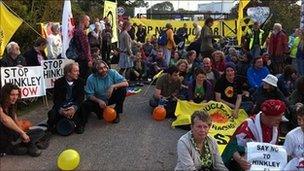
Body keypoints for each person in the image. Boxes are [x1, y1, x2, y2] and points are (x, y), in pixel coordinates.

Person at [222, 99, 287, 171]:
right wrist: (240, 160)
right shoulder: (248, 126)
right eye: (277, 119)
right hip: (244, 163)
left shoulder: (275, 125)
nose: (280, 120)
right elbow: (232, 147)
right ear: (265, 116)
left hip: (265, 163)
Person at [0, 84, 45, 157]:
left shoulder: (12, 104)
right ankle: (30, 145)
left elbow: (15, 121)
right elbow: (5, 119)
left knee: (40, 131)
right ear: (5, 94)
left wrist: (23, 134)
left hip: (11, 135)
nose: (15, 97)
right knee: (23, 149)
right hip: (3, 137)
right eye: (12, 95)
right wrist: (22, 133)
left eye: (17, 94)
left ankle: (27, 143)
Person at [82, 60, 128, 124]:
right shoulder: (91, 79)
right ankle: (97, 113)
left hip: (110, 97)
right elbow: (89, 95)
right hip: (99, 102)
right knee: (87, 104)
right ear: (95, 70)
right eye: (100, 69)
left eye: (105, 67)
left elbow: (125, 83)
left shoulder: (112, 72)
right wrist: (99, 101)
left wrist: (112, 86)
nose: (104, 70)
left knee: (122, 89)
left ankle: (116, 112)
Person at [47, 62, 86, 134]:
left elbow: (81, 97)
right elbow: (56, 99)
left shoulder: (80, 81)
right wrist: (60, 110)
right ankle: (52, 127)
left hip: (73, 105)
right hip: (63, 106)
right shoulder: (58, 82)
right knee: (52, 113)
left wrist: (74, 108)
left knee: (83, 109)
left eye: (78, 71)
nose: (78, 73)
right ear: (68, 73)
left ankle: (79, 125)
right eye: (76, 71)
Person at [73, 15, 93, 79]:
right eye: (88, 21)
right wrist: (89, 59)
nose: (89, 22)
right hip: (83, 59)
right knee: (84, 77)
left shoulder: (77, 30)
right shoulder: (81, 32)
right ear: (84, 21)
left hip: (79, 57)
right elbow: (85, 47)